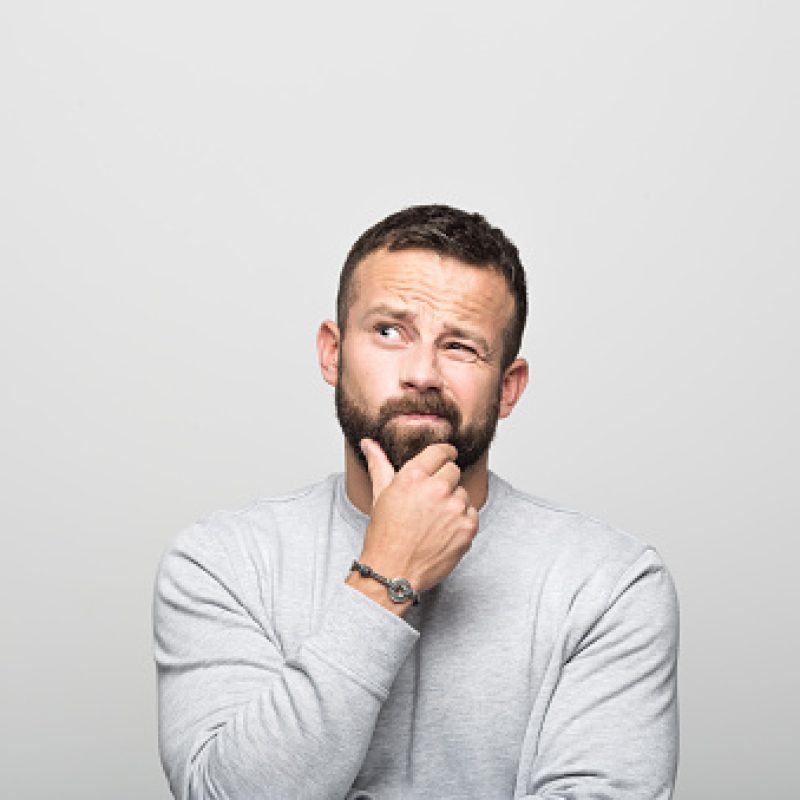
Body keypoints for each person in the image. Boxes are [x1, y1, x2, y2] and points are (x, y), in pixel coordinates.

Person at [153, 204, 679, 799]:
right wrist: (386, 578)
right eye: (388, 332)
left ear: (508, 387)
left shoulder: (611, 582)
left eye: (460, 346)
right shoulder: (222, 563)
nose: (422, 372)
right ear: (332, 353)